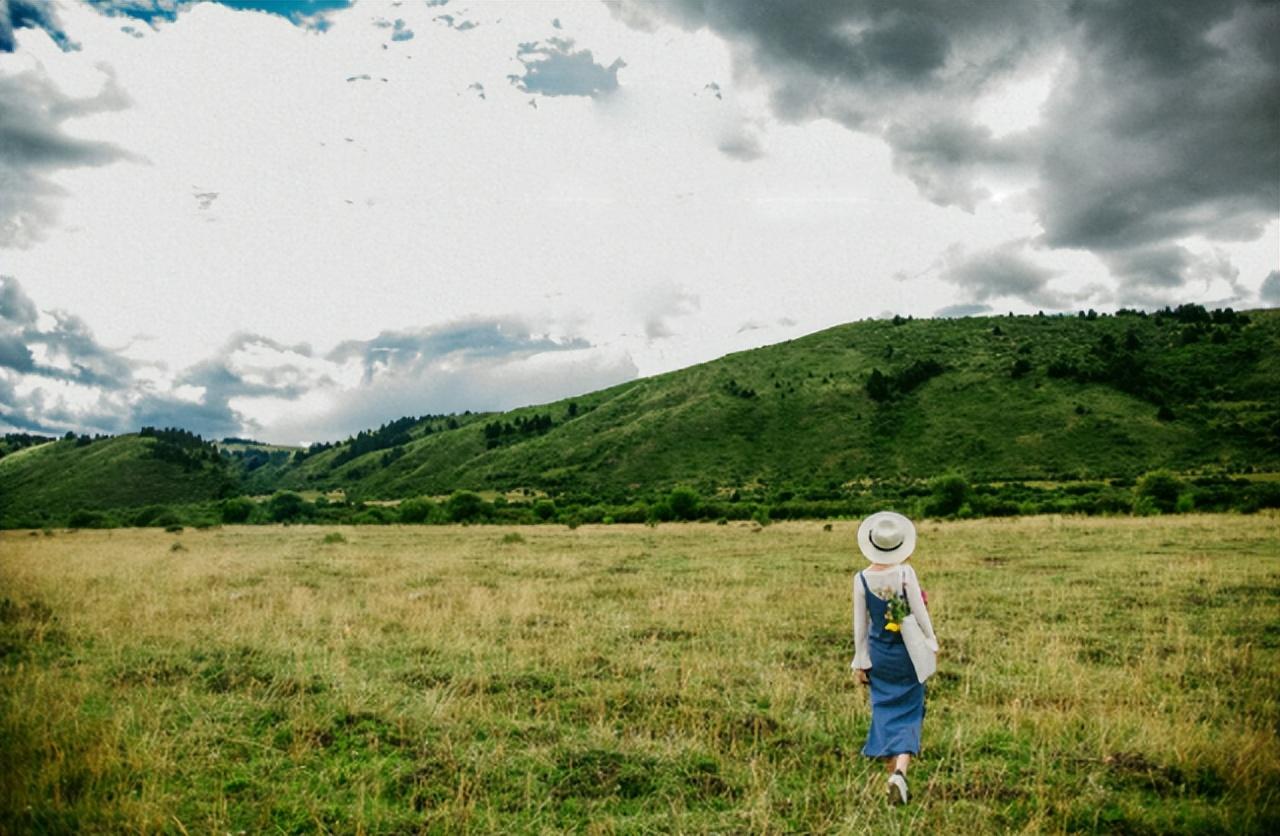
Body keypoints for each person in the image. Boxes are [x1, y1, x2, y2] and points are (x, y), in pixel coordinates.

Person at [851, 511, 938, 805]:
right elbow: (920, 613)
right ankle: (899, 773)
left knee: (885, 711)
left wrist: (861, 662)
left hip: (879, 654)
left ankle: (894, 776)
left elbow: (859, 626)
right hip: (908, 654)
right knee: (910, 711)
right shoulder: (905, 573)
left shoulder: (861, 579)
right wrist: (932, 643)